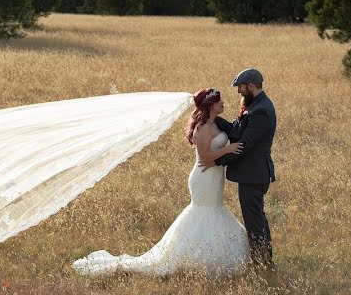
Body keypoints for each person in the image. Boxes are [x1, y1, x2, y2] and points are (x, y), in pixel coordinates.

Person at [72, 88, 250, 277]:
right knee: (204, 212)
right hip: (204, 177)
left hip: (214, 177)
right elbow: (205, 158)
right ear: (211, 105)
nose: (223, 103)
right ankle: (190, 259)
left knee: (215, 210)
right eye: (219, 101)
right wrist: (228, 149)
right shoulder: (203, 128)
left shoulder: (216, 124)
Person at [212, 68, 277, 269]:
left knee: (254, 221)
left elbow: (244, 145)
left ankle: (262, 263)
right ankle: (264, 260)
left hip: (254, 175)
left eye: (240, 87)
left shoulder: (261, 111)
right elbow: (237, 130)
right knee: (256, 217)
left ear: (251, 86)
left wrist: (215, 161)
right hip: (251, 174)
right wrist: (212, 118)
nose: (238, 91)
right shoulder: (254, 106)